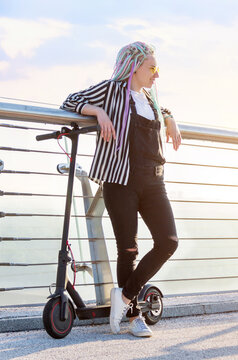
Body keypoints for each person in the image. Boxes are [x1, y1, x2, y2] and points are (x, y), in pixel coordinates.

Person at [61, 41, 181, 337]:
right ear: (135, 66)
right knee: (128, 250)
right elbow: (71, 100)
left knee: (168, 242)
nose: (156, 74)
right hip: (120, 181)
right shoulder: (111, 90)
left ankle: (124, 296)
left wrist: (170, 118)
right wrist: (98, 113)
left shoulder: (151, 99)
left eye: (157, 68)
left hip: (153, 182)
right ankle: (133, 316)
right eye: (152, 68)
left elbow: (162, 107)